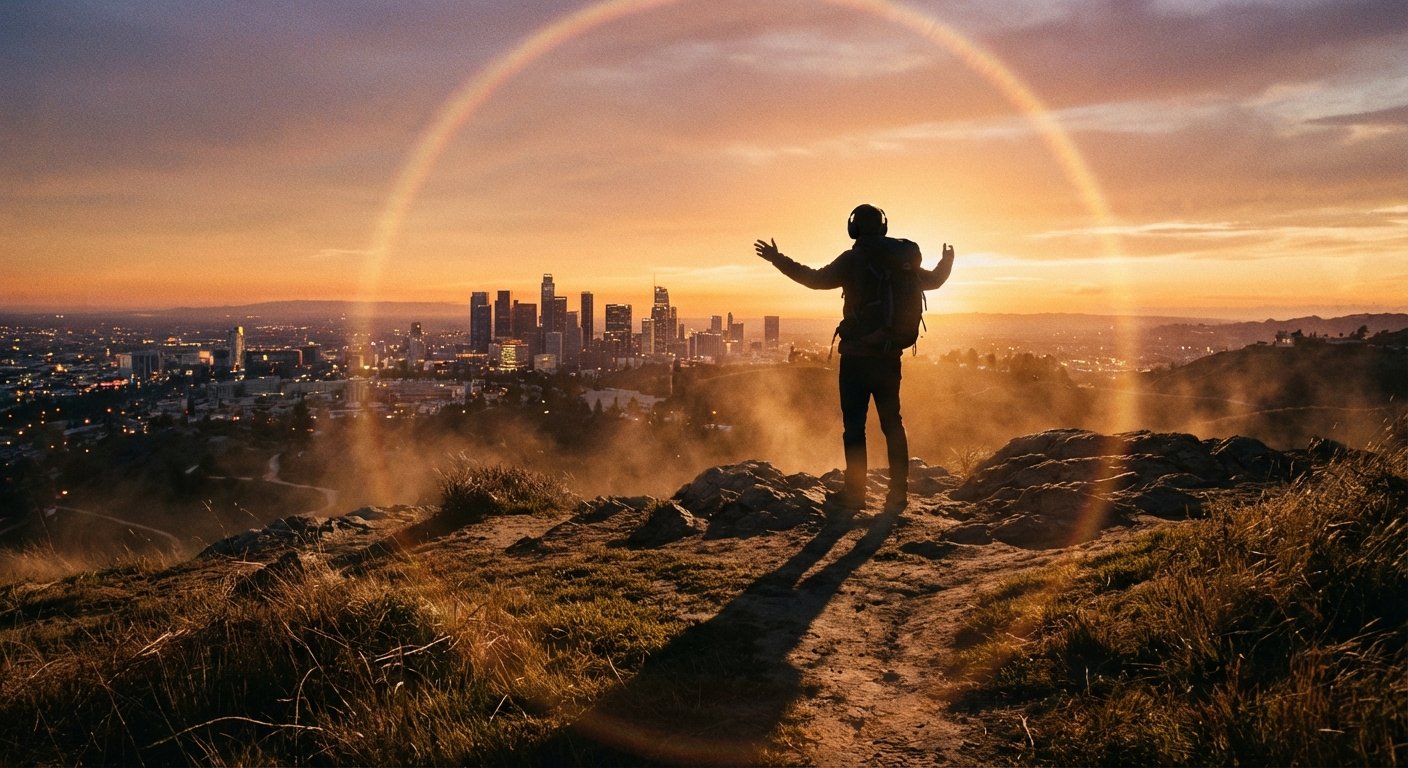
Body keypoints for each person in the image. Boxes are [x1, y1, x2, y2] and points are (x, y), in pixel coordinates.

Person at [755, 204, 954, 516]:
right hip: (889, 357)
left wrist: (777, 259)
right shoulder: (901, 263)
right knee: (893, 424)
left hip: (857, 358)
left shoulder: (853, 259)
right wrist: (947, 260)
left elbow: (813, 278)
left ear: (854, 229)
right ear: (883, 228)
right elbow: (935, 282)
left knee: (854, 427)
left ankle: (855, 494)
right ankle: (898, 495)